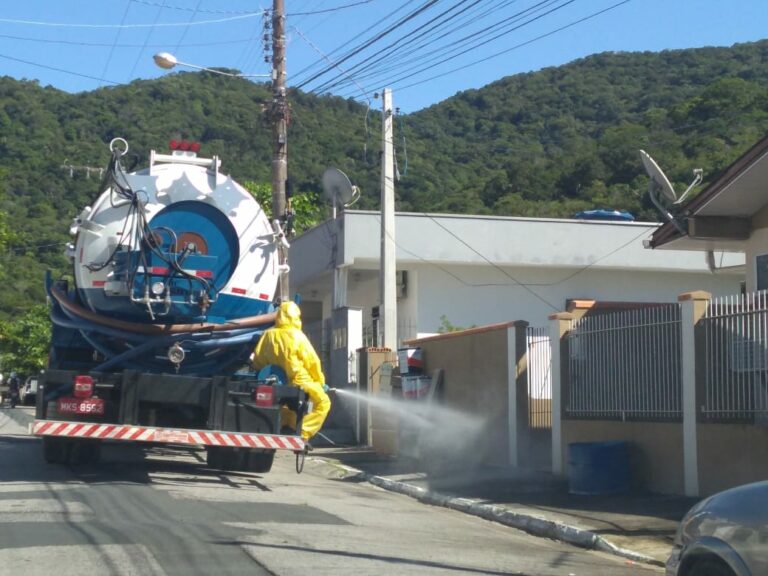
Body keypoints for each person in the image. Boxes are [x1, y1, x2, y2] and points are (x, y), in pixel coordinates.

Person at [252, 301, 331, 444]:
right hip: (299, 380)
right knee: (323, 403)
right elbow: (312, 362)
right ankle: (303, 433)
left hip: (274, 380)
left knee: (282, 404)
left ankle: (286, 426)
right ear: (296, 317)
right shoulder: (297, 336)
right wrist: (320, 382)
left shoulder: (267, 335)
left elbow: (258, 359)